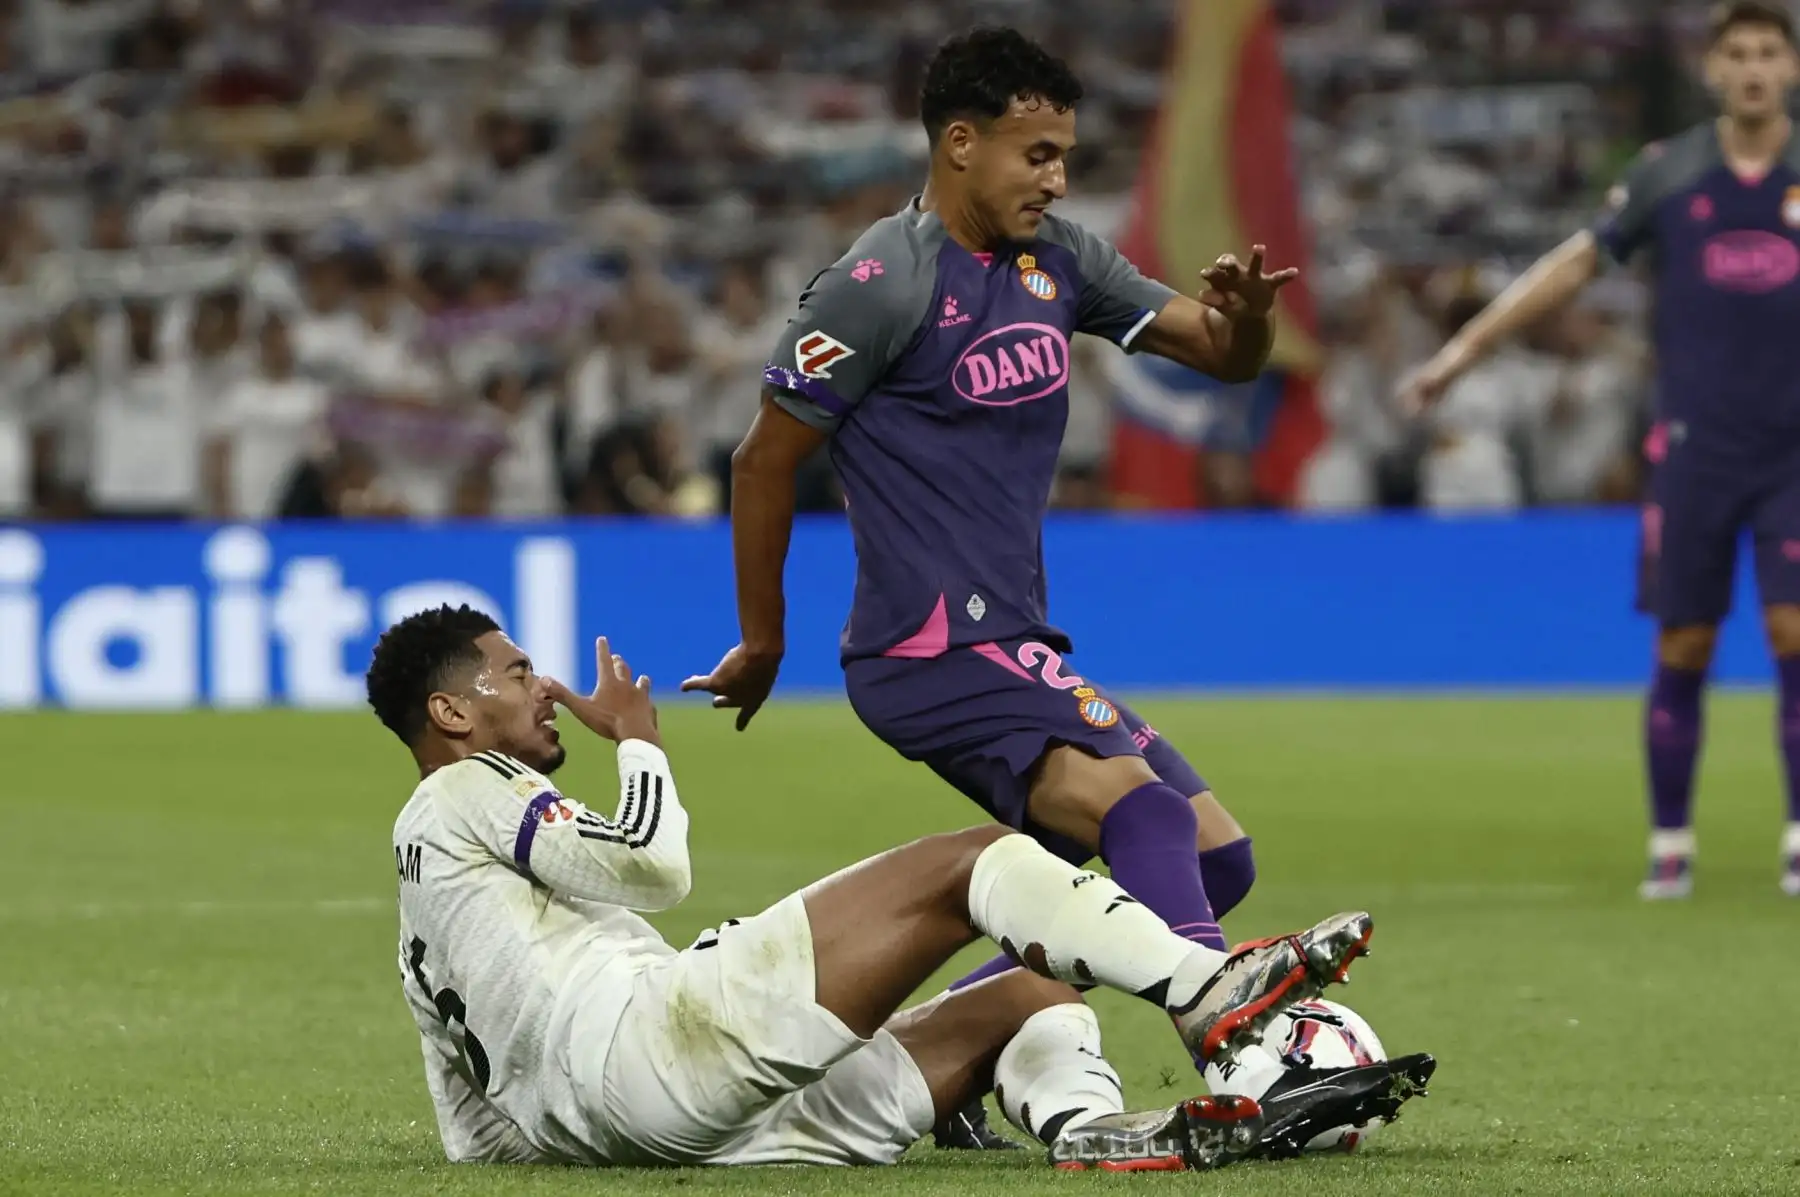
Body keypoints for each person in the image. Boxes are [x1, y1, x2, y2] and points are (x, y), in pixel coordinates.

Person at [683, 26, 1295, 1143]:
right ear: (960, 144)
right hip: (926, 648)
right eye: (1036, 154)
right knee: (1142, 814)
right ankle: (1235, 1042)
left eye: (1063, 154)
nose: (1056, 177)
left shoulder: (1061, 259)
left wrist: (1247, 319)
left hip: (1015, 643)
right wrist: (761, 641)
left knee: (1214, 859)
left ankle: (950, 1045)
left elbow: (1218, 352)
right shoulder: (877, 283)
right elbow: (763, 459)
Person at [369, 604, 1380, 1171]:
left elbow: (472, 1128)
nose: (544, 685)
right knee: (976, 862)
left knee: (1035, 991)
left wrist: (585, 1151)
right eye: (515, 671)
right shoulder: (468, 784)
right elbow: (651, 865)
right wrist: (638, 743)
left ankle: (1092, 1132)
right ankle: (1206, 989)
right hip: (654, 1053)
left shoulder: (425, 905)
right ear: (451, 713)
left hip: (683, 1128)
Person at [1401, 1, 1800, 900]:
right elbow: (1574, 266)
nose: (1751, 68)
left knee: (1793, 634)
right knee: (1686, 645)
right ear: (1712, 68)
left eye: (1768, 53)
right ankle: (1670, 841)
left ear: (1790, 69)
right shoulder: (1671, 175)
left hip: (1793, 453)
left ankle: (1798, 836)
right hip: (1696, 450)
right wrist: (1462, 353)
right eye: (1736, 52)